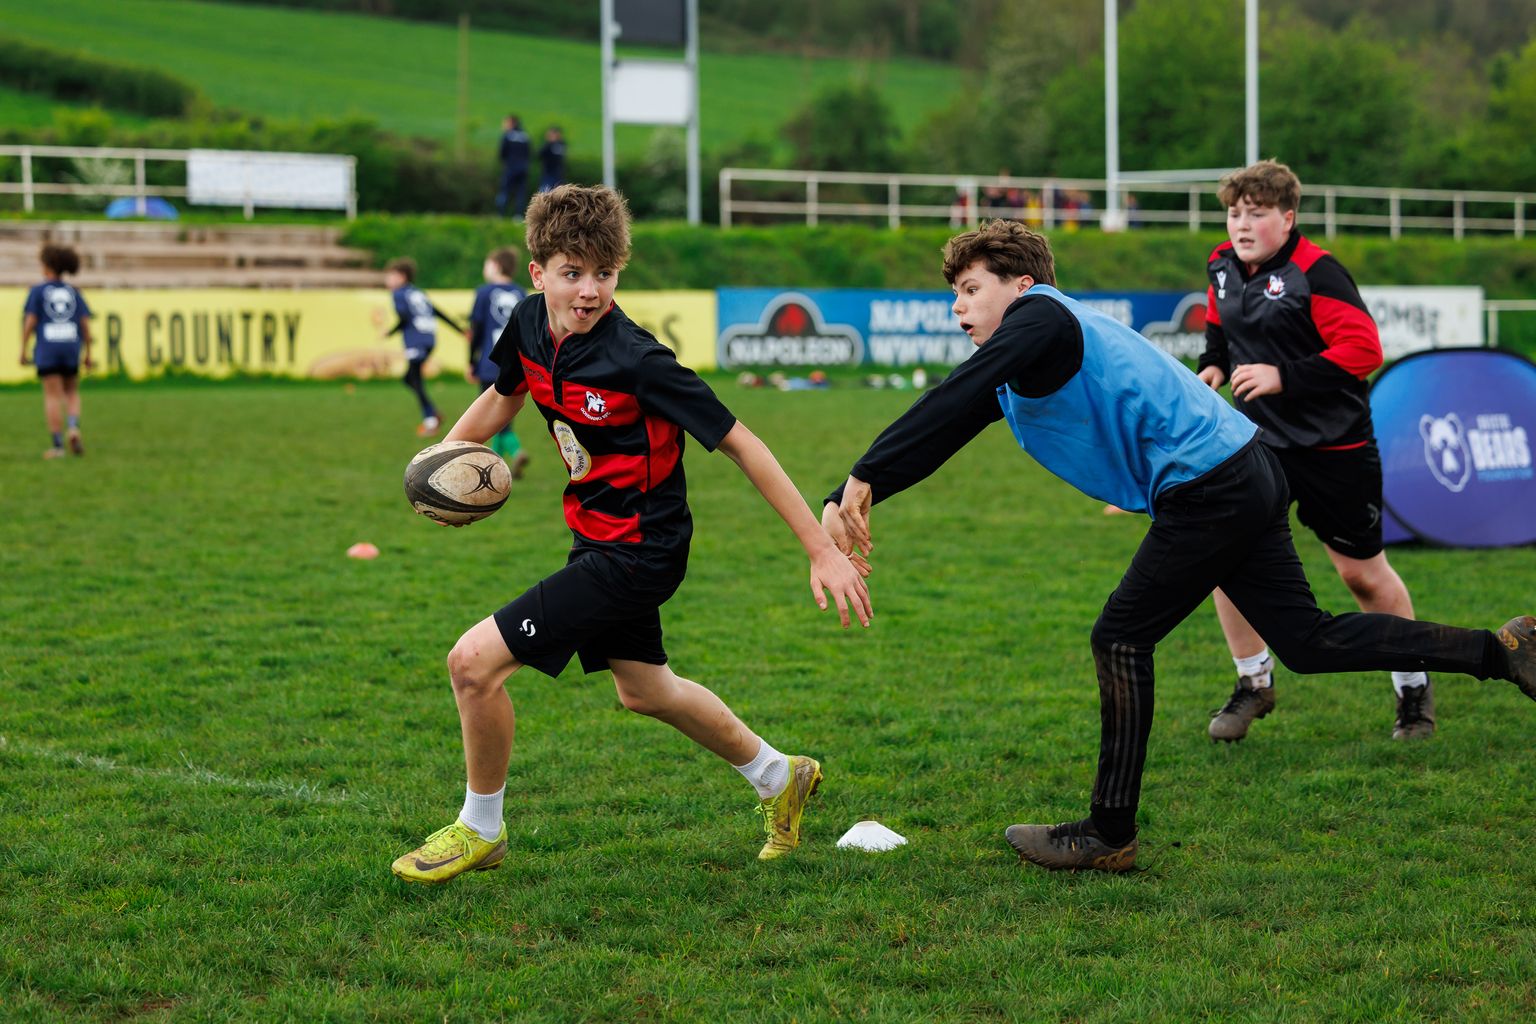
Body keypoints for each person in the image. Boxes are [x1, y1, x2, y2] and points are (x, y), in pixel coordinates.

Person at [820, 218, 1536, 874]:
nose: (957, 307)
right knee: (1309, 641)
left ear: (1022, 285)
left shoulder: (1040, 317)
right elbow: (948, 423)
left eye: (971, 289)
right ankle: (1501, 650)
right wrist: (852, 490)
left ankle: (1109, 832)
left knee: (1120, 638)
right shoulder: (1022, 352)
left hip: (1212, 487)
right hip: (1242, 470)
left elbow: (954, 391)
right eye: (954, 293)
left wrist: (863, 474)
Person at [390, 184, 871, 884]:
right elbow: (504, 395)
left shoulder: (638, 360)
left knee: (472, 664)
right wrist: (438, 465)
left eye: (604, 273)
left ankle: (480, 829)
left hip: (641, 550)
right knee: (644, 689)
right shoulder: (527, 325)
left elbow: (743, 444)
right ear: (538, 274)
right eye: (572, 273)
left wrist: (821, 549)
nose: (589, 291)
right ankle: (780, 775)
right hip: (595, 537)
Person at [1197, 160, 1434, 742]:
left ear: (1288, 217)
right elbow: (1220, 330)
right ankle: (1253, 682)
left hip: (1335, 446)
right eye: (1234, 213)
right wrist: (1213, 367)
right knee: (1223, 557)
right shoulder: (1221, 264)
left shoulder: (1317, 273)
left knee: (1362, 577)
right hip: (1258, 444)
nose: (1242, 225)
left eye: (1256, 214)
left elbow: (1364, 350)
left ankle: (1413, 687)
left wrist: (1283, 376)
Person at [20, 244, 93, 459]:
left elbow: (30, 321)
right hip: (71, 345)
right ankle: (73, 427)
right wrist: (88, 353)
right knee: (71, 391)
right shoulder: (73, 292)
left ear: (47, 266)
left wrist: (23, 348)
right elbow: (85, 325)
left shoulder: (38, 291)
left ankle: (58, 446)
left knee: (52, 396)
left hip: (48, 346)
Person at [376, 258, 462, 438]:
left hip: (416, 340)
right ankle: (433, 413)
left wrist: (389, 332)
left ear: (402, 277)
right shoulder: (418, 293)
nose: (387, 280)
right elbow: (437, 312)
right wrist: (460, 330)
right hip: (430, 339)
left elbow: (405, 318)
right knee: (409, 378)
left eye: (391, 276)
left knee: (415, 379)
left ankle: (431, 420)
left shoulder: (399, 294)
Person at [465, 246, 530, 476]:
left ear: (496, 266)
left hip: (489, 363)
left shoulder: (484, 293)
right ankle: (497, 466)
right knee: (503, 416)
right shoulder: (521, 292)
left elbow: (476, 330)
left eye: (487, 263)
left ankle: (516, 450)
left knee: (491, 416)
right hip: (517, 364)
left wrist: (471, 361)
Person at [495, 115, 532, 218]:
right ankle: (518, 216)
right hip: (523, 169)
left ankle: (501, 214)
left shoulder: (508, 135)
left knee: (505, 191)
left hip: (510, 168)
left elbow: (502, 153)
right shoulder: (525, 136)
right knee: (520, 193)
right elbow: (529, 153)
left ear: (512, 123)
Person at [537, 126, 566, 193]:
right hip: (548, 173)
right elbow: (539, 155)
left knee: (558, 194)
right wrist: (549, 143)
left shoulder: (561, 145)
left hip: (558, 174)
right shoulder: (548, 145)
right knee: (544, 193)